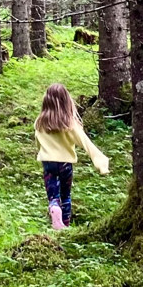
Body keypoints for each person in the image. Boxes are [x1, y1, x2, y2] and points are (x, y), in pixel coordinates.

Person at [34, 83, 109, 230]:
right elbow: (85, 143)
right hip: (65, 164)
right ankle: (65, 225)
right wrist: (100, 161)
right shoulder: (70, 123)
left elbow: (38, 142)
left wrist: (41, 152)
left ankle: (54, 207)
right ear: (66, 101)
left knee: (53, 195)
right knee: (66, 196)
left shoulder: (40, 122)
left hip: (48, 163)